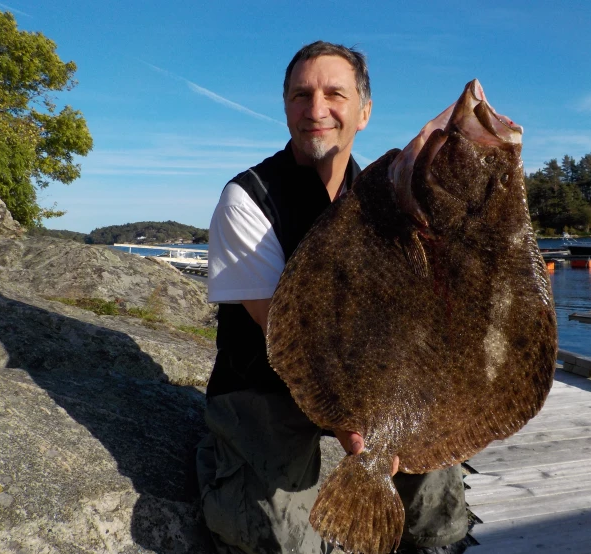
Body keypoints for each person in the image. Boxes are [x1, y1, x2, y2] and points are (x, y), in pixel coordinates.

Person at [196, 40, 469, 554]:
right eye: (301, 95)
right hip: (268, 386)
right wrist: (359, 434)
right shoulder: (247, 199)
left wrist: (400, 420)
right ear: (285, 109)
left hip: (373, 383)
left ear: (363, 112)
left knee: (439, 488)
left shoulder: (387, 197)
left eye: (334, 94)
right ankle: (223, 459)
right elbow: (284, 333)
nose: (316, 110)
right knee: (278, 537)